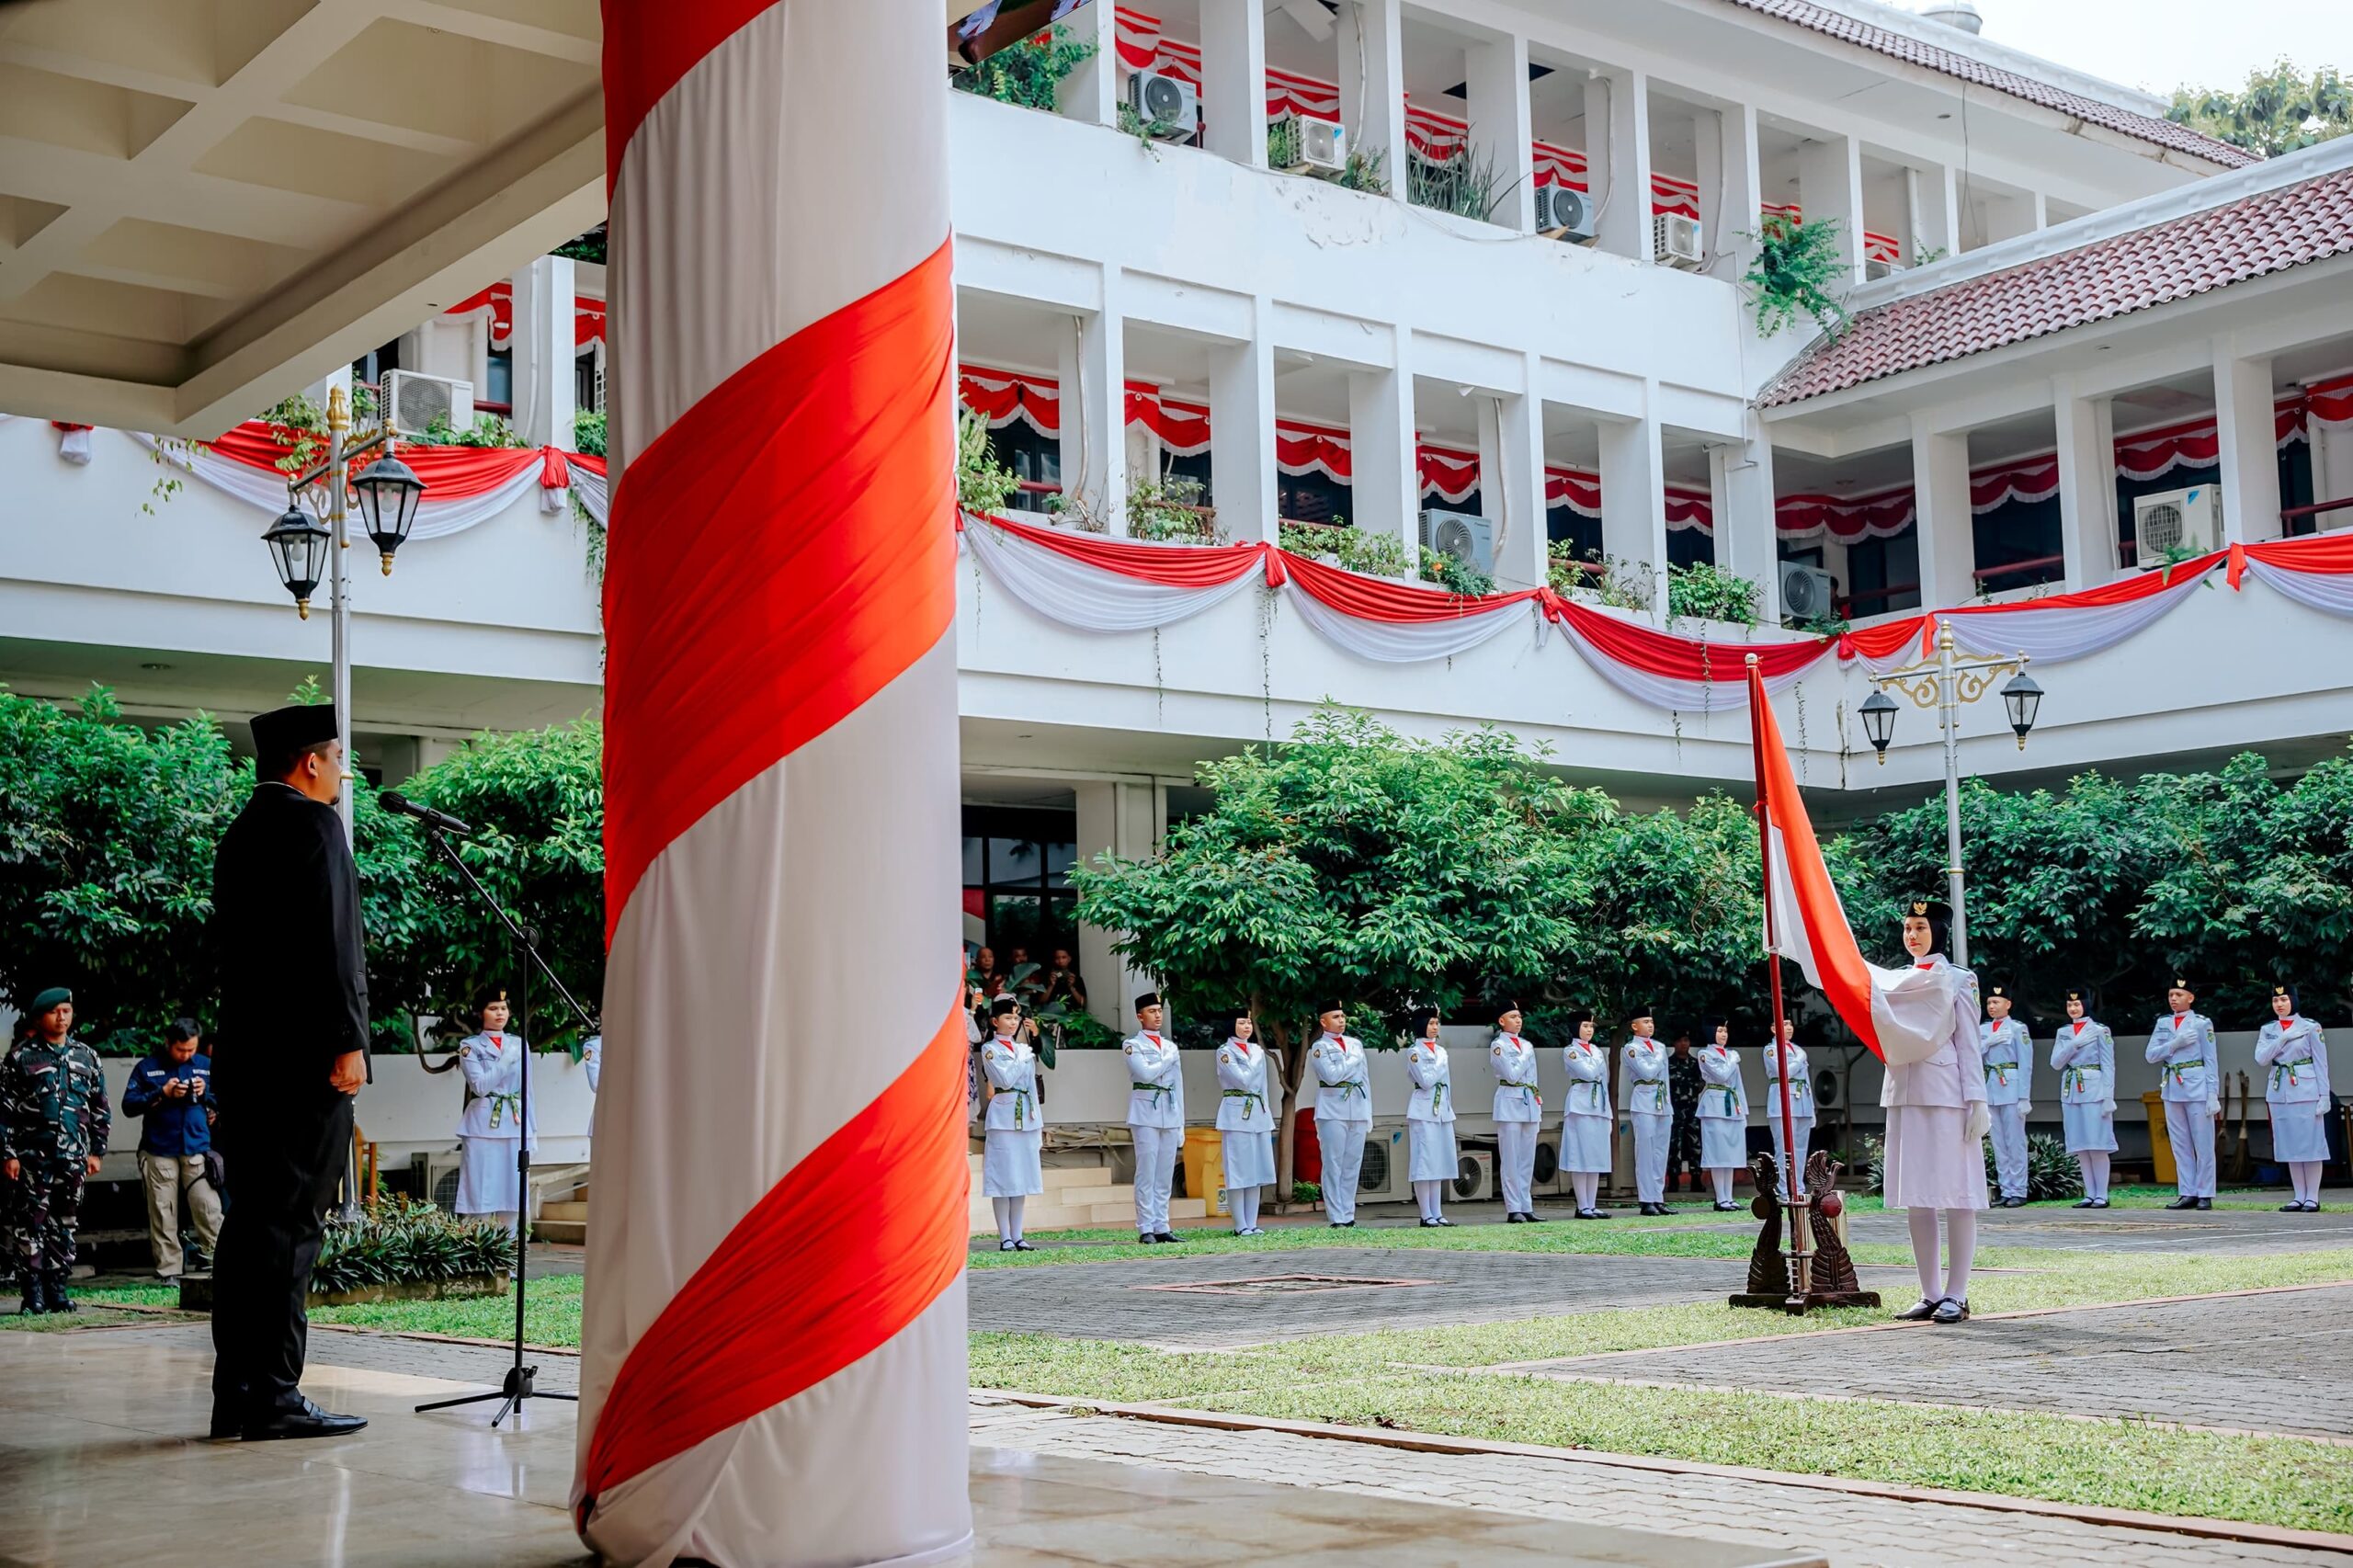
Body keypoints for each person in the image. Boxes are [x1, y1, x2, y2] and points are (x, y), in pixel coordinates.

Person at [208, 700, 369, 1441]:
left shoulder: (241, 833)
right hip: (306, 1064)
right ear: (311, 762)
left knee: (249, 1224)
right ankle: (274, 1393)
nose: (345, 773)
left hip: (247, 1061)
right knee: (293, 1224)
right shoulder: (314, 824)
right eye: (339, 759)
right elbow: (332, 943)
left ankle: (236, 1391)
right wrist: (347, 1039)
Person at [1884, 898, 1989, 1325]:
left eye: (1921, 928)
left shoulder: (1959, 980)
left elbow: (1969, 1043)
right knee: (1917, 1197)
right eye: (1908, 927)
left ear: (1939, 933)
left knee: (1958, 1194)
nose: (1912, 935)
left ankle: (1957, 1294)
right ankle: (1929, 1293)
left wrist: (1977, 1100)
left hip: (1948, 1094)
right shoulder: (1894, 980)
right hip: (1906, 1092)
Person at [1, 987, 109, 1314]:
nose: (62, 1017)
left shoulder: (86, 1056)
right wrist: (8, 1153)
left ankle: (57, 1290)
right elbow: (4, 1110)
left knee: (65, 1223)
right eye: (54, 1012)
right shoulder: (22, 1057)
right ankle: (32, 1294)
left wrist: (97, 1151)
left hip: (73, 1157)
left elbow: (99, 1106)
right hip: (33, 1158)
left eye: (66, 1010)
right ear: (40, 1017)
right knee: (31, 1224)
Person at [122, 1017, 222, 1279]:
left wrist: (205, 1095)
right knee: (163, 1211)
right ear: (168, 1043)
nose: (186, 1054)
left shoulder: (206, 1067)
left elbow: (222, 1101)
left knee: (208, 1207)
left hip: (197, 1147)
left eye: (191, 1049)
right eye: (181, 1050)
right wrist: (161, 1093)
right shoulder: (148, 1067)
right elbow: (129, 1105)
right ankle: (169, 1271)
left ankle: (220, 1263)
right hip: (159, 1149)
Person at [455, 989, 534, 1239]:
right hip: (482, 1125)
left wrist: (533, 1133)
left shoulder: (519, 1044)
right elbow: (480, 1087)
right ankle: (477, 1256)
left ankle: (508, 1261)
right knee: (479, 1194)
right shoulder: (470, 1047)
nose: (500, 1013)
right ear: (481, 1013)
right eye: (493, 1008)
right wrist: (503, 1063)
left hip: (514, 1122)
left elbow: (528, 1091)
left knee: (512, 1197)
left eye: (503, 1008)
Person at [2255, 983, 2330, 1213]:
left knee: (2310, 1143)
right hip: (2280, 1091)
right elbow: (2261, 1058)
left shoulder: (2310, 1027)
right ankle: (2298, 1196)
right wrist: (2283, 1038)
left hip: (2306, 1090)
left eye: (2284, 1000)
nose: (2279, 1004)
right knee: (2289, 1144)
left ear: (2294, 1001)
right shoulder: (2268, 1029)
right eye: (2276, 1001)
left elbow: (2321, 1062)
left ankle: (2313, 1197)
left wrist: (2324, 1095)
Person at [2146, 978, 2219, 1211]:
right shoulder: (2163, 1023)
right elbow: (2151, 1055)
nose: (2174, 999)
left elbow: (2211, 1060)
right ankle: (2187, 1191)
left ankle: (2205, 1193)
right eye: (2171, 995)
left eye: (2179, 994)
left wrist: (2212, 1094)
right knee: (2180, 1144)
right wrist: (2174, 1043)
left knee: (2203, 1142)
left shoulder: (2201, 1023)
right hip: (2172, 1087)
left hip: (2197, 1085)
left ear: (2191, 997)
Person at [979, 998, 1041, 1251]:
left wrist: (1038, 1123)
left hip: (1025, 1115)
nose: (1013, 1023)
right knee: (1004, 1178)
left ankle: (1018, 1235)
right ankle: (1004, 1236)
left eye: (1016, 1018)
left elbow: (1031, 1088)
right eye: (1008, 1018)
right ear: (996, 1021)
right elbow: (1004, 1078)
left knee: (1021, 1178)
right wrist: (1022, 1055)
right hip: (1004, 1116)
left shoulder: (1022, 1050)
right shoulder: (990, 1049)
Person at [1123, 993, 1183, 1244]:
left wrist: (1181, 1122)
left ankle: (1162, 1224)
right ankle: (1145, 1225)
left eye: (1159, 1010)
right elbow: (1145, 1074)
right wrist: (1167, 1060)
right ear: (1140, 1016)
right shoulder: (1132, 1045)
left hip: (1168, 1111)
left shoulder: (1169, 1045)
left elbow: (1178, 1086)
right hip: (1145, 1111)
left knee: (1165, 1172)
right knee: (1146, 1170)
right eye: (1152, 1011)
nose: (1157, 1015)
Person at [2049, 990, 2117, 1209]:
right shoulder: (2063, 1032)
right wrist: (2074, 1044)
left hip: (2094, 1088)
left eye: (2077, 1004)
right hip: (2071, 1090)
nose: (2073, 1009)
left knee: (2097, 1144)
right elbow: (2056, 1063)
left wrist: (2109, 1096)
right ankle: (2089, 1193)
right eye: (2070, 1005)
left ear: (2085, 1005)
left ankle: (2102, 1195)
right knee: (2080, 1145)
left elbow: (2108, 1065)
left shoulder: (2099, 1031)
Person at [1308, 1003, 1370, 1227]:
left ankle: (1348, 1213)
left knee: (1352, 1163)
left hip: (1357, 1107)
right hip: (1332, 1109)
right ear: (1323, 1022)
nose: (1341, 1020)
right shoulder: (1319, 1047)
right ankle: (1336, 1216)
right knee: (1333, 1163)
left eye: (1343, 1016)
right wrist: (1353, 1059)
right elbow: (1332, 1076)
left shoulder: (1355, 1043)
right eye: (1335, 1016)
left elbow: (1364, 1080)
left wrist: (1368, 1113)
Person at [1214, 1012, 1274, 1235]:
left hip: (1257, 1112)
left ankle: (1253, 1222)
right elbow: (1244, 1080)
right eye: (1241, 1022)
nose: (1247, 1026)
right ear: (1232, 1025)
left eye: (1249, 1022)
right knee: (1238, 1170)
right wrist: (1255, 1060)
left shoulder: (1256, 1050)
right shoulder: (1225, 1052)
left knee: (1256, 1171)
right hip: (1236, 1114)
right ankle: (1240, 1225)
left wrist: (1266, 1111)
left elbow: (1263, 1086)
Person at [1980, 986, 2034, 1208]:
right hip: (1990, 1087)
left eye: (1997, 1002)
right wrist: (1988, 1042)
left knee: (2015, 1142)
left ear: (2008, 1004)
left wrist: (2024, 1096)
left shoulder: (2017, 1029)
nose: (1992, 1006)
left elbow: (2026, 1064)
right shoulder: (1982, 1029)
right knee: (1998, 1143)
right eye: (1990, 1002)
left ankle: (2019, 1190)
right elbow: (1971, 1054)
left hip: (2011, 1087)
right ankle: (2005, 1188)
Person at [1404, 1008, 1456, 1228]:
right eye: (1431, 1023)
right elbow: (1426, 1081)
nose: (1435, 1027)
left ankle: (1437, 1211)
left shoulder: (1441, 1051)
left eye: (1437, 1023)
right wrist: (1439, 1062)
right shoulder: (1414, 1051)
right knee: (1424, 1162)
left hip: (1442, 1108)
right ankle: (1425, 1213)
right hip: (1423, 1109)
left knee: (1440, 1161)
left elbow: (1447, 1083)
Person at [1491, 1005, 1543, 1222]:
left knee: (1527, 1159)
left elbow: (1533, 1077)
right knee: (1511, 1158)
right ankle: (1513, 1208)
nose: (1518, 1020)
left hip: (1529, 1102)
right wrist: (1525, 1055)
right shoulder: (1498, 1045)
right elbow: (1511, 1075)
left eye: (1520, 1016)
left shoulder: (1526, 1044)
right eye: (1513, 1017)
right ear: (1502, 1021)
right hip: (1509, 1102)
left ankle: (1526, 1205)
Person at [1558, 1011, 1612, 1220]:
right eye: (1585, 1026)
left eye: (1591, 1027)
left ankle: (1592, 1203)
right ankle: (1582, 1205)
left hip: (1598, 1104)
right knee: (1581, 1155)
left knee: (1595, 1156)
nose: (1589, 1030)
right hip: (1580, 1104)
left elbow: (1603, 1081)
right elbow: (1588, 1074)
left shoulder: (1596, 1051)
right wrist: (1597, 1066)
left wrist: (1608, 1113)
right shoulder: (1571, 1051)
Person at [1620, 1008, 1671, 1216]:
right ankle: (1646, 1199)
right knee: (1645, 1151)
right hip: (1644, 1097)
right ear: (1635, 1026)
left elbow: (1664, 1076)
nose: (1650, 1025)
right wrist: (1658, 1056)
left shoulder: (1658, 1046)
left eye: (1651, 1021)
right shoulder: (1631, 1048)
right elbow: (1647, 1072)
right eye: (1645, 1021)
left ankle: (1658, 1197)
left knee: (1660, 1152)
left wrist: (1668, 1103)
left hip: (1661, 1099)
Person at [1696, 1021, 1748, 1212]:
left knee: (1731, 1154)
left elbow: (1738, 1084)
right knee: (1718, 1154)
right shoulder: (1705, 1054)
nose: (1724, 1034)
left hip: (1732, 1105)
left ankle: (1729, 1196)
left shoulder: (1731, 1054)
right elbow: (1721, 1076)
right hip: (1714, 1105)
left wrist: (1743, 1111)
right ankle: (1720, 1198)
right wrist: (1733, 1060)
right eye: (1719, 1030)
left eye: (1726, 1030)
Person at [1761, 1019, 1813, 1202]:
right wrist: (1799, 1060)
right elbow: (1783, 1071)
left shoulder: (1797, 1049)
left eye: (1790, 1024)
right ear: (1774, 1028)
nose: (1789, 1028)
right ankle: (1784, 1190)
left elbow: (1805, 1079)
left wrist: (1811, 1109)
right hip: (1782, 1100)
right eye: (1784, 1025)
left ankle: (1798, 1187)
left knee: (1800, 1148)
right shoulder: (1771, 1050)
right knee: (1784, 1148)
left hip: (1802, 1101)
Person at [1666, 1031, 1703, 1194]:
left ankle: (1696, 1178)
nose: (1684, 1044)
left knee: (1695, 1145)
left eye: (1686, 1040)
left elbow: (1701, 1083)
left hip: (1692, 1110)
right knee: (1674, 1146)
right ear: (1674, 1043)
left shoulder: (1695, 1063)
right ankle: (1673, 1179)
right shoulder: (1668, 1064)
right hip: (1675, 1110)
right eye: (1680, 1040)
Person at [1038, 948, 1088, 1014]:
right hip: (1052, 1016)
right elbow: (1041, 1002)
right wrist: (1051, 985)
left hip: (1072, 1017)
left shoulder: (1076, 979)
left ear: (1069, 959)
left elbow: (1083, 1003)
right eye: (1057, 958)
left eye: (1064, 957)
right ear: (1054, 960)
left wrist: (1071, 987)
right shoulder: (1048, 978)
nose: (1061, 961)